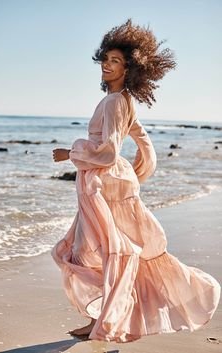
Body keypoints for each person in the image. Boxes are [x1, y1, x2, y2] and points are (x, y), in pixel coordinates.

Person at [51, 19, 220, 343]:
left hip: (102, 186)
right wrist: (141, 168)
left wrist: (70, 152)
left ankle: (104, 318)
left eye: (116, 60)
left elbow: (108, 153)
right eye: (106, 58)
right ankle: (106, 316)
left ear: (130, 67)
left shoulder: (114, 102)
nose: (107, 64)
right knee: (108, 251)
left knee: (85, 254)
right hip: (115, 185)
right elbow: (142, 139)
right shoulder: (126, 100)